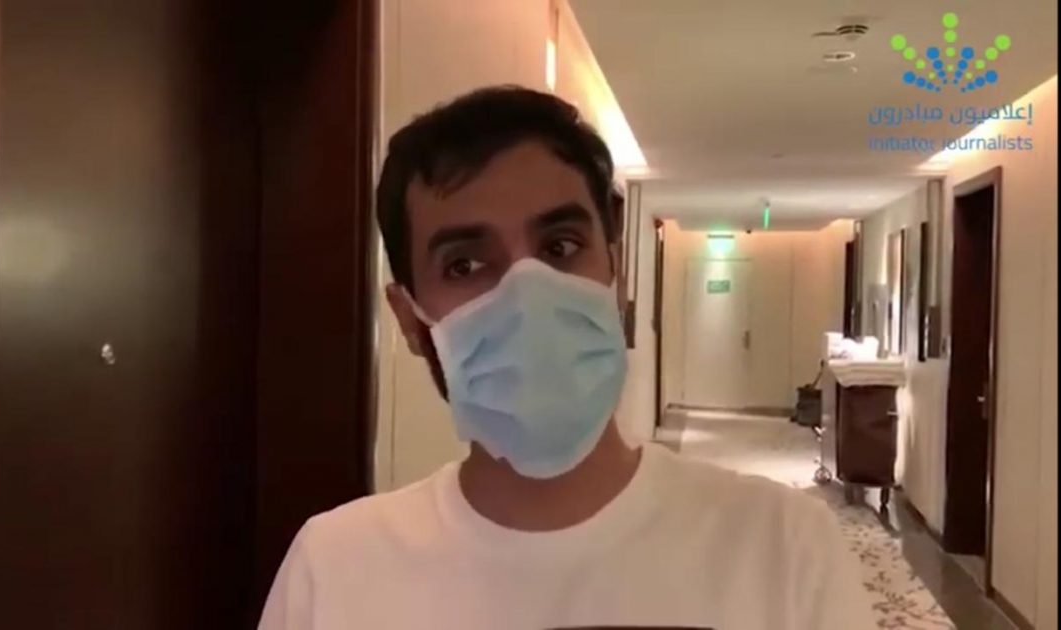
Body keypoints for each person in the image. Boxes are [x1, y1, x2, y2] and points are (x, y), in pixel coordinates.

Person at [257, 85, 876, 630]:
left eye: (560, 246)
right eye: (465, 264)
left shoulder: (785, 549)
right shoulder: (334, 569)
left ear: (614, 272)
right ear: (410, 319)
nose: (528, 294)